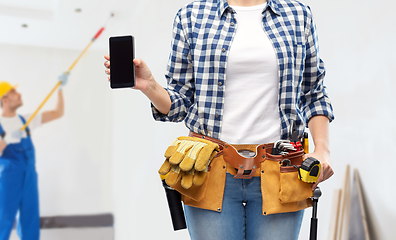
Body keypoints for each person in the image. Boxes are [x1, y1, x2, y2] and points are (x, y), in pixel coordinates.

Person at [104, 0, 334, 239]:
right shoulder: (191, 16)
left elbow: (313, 92)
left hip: (281, 170)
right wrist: (149, 86)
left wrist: (323, 151)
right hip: (209, 170)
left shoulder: (298, 15)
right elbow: (180, 103)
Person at [0, 73, 68, 240]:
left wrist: (60, 89)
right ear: (4, 100)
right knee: (1, 222)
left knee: (30, 224)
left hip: (29, 177)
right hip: (7, 180)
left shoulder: (27, 120)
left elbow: (58, 112)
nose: (19, 94)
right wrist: (5, 141)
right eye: (14, 92)